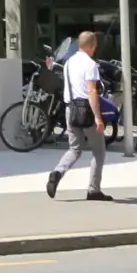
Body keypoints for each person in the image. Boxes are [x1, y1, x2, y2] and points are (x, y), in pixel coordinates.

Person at [47, 27, 112, 201]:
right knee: (99, 151)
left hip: (71, 109)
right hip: (86, 111)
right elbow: (92, 92)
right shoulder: (90, 65)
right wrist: (98, 117)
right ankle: (93, 190)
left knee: (74, 149)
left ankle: (57, 172)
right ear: (92, 46)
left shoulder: (69, 62)